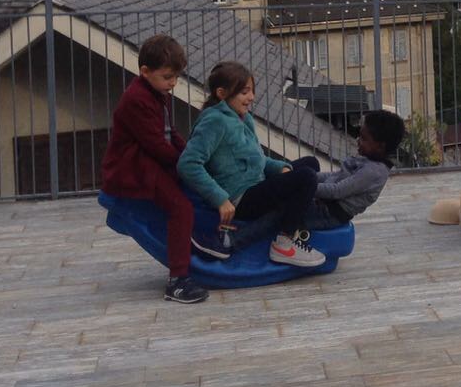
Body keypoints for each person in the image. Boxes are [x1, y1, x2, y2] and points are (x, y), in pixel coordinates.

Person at [177, 61, 325, 268]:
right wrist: (220, 199)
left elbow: (257, 159)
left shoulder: (241, 118)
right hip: (239, 198)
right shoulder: (214, 122)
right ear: (222, 93)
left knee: (310, 163)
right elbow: (188, 164)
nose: (252, 97)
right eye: (244, 92)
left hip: (256, 184)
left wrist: (281, 168)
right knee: (307, 178)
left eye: (252, 91)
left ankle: (290, 212)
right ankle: (284, 243)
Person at [100, 34, 209, 304]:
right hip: (137, 166)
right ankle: (178, 280)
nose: (173, 83)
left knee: (193, 194)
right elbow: (156, 145)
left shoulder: (157, 93)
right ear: (145, 71)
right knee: (180, 207)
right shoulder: (137, 99)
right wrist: (185, 164)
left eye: (176, 77)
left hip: (152, 160)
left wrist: (191, 155)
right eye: (168, 77)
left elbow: (171, 132)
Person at [301, 109, 405, 231]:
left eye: (363, 138)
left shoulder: (373, 172)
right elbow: (336, 175)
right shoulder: (368, 160)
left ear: (380, 146)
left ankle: (286, 231)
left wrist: (305, 187)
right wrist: (311, 177)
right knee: (309, 165)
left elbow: (337, 191)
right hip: (324, 204)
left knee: (285, 203)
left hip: (327, 213)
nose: (357, 140)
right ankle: (287, 173)